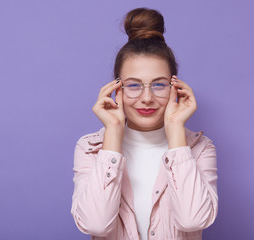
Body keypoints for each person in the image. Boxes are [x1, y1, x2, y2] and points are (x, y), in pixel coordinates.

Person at [71, 7, 218, 240]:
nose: (147, 98)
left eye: (159, 84)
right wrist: (113, 132)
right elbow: (96, 225)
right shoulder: (90, 148)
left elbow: (193, 220)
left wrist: (176, 130)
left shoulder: (200, 149)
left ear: (175, 88)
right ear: (116, 88)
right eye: (133, 85)